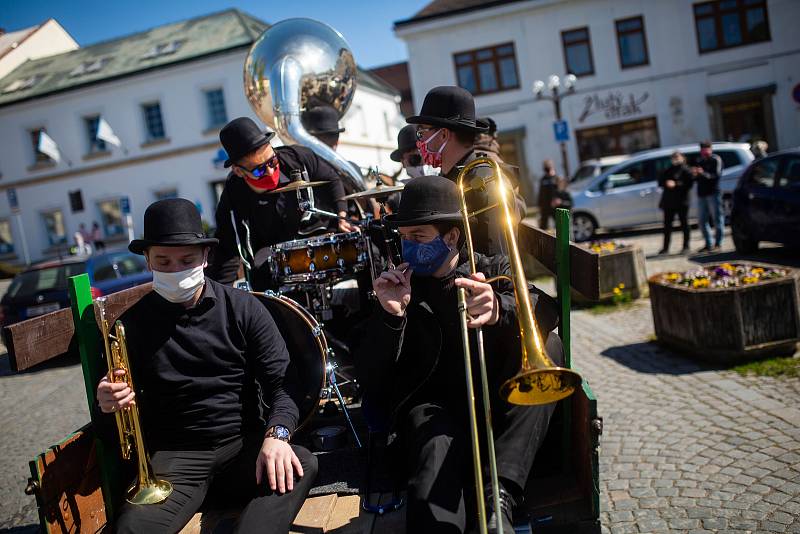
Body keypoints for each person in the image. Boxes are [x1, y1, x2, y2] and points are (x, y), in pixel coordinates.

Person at [354, 176, 563, 534]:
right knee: (433, 460)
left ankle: (500, 499)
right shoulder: (397, 285)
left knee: (551, 348)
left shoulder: (493, 268)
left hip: (495, 402)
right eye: (403, 238)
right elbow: (372, 379)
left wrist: (500, 308)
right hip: (434, 412)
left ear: (451, 237)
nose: (407, 247)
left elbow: (546, 310)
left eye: (417, 237)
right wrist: (390, 318)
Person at [96, 198, 317, 533]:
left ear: (205, 256)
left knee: (301, 462)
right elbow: (117, 419)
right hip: (176, 463)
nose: (175, 270)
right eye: (163, 262)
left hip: (245, 449)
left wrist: (277, 435)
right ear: (147, 260)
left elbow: (283, 384)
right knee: (130, 529)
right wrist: (108, 403)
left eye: (186, 260)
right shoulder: (130, 326)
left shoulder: (245, 309)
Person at [206, 117, 355, 290]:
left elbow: (332, 178)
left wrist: (342, 216)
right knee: (260, 274)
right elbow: (227, 248)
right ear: (239, 171)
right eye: (259, 169)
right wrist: (221, 295)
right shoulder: (233, 193)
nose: (270, 171)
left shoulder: (298, 157)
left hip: (316, 232)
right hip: (272, 251)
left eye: (272, 161)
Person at [407, 86, 526, 255]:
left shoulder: (484, 180)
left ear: (443, 135)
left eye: (422, 133)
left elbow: (496, 257)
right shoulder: (452, 177)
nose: (420, 141)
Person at [658, 151, 694, 255]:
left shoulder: (686, 169)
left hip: (682, 202)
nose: (675, 159)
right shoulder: (668, 170)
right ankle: (665, 248)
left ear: (682, 158)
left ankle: (686, 246)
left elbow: (689, 184)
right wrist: (665, 182)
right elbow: (660, 182)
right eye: (673, 157)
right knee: (667, 226)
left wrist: (676, 184)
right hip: (669, 202)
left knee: (684, 224)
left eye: (677, 157)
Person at [691, 141, 724, 252]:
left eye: (707, 148)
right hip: (701, 194)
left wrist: (703, 173)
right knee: (702, 220)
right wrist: (695, 174)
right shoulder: (699, 160)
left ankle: (718, 243)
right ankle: (708, 244)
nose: (705, 151)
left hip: (713, 193)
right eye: (703, 149)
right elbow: (696, 179)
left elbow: (716, 176)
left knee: (717, 219)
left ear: (711, 148)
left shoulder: (715, 159)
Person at [538, 160, 559, 230]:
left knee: (558, 224)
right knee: (543, 226)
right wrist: (539, 205)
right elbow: (540, 193)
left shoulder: (556, 178)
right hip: (545, 206)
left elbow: (560, 191)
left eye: (548, 165)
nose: (546, 167)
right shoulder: (543, 179)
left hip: (554, 206)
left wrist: (556, 200)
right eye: (545, 165)